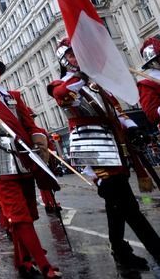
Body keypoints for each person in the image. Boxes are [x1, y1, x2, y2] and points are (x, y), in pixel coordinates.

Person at [49, 38, 160, 270]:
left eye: (80, 53)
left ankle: (120, 251)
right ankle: (155, 249)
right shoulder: (64, 83)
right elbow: (62, 94)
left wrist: (134, 130)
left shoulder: (96, 83)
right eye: (72, 55)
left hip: (115, 148)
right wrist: (84, 75)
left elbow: (116, 111)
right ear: (64, 60)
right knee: (126, 205)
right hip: (93, 149)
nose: (77, 58)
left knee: (117, 205)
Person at [0, 48, 60, 278]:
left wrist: (39, 141)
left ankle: (23, 262)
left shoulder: (12, 95)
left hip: (24, 159)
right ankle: (44, 265)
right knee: (18, 214)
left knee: (29, 214)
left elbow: (30, 124)